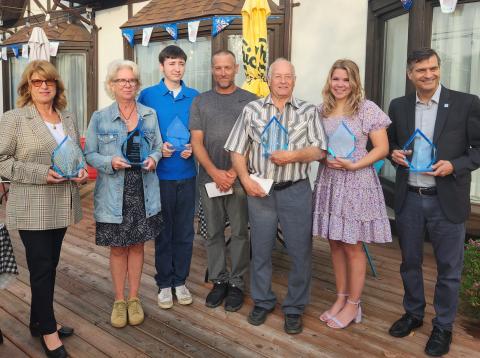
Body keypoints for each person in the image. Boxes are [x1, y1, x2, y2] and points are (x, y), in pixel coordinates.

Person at [387, 48, 480, 357]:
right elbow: (393, 144)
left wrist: (455, 165)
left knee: (449, 269)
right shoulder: (398, 106)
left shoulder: (466, 103)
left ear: (439, 68)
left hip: (446, 200)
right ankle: (413, 313)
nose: (428, 75)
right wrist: (394, 153)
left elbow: (477, 150)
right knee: (409, 263)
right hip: (410, 199)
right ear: (409, 74)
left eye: (433, 68)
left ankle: (443, 326)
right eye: (421, 70)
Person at [225, 58, 327, 334]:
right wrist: (245, 180)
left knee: (300, 251)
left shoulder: (308, 111)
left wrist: (293, 155)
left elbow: (319, 150)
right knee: (260, 249)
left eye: (288, 76)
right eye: (278, 76)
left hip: (296, 190)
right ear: (269, 80)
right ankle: (263, 300)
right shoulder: (252, 110)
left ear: (295, 80)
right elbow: (236, 149)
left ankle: (294, 307)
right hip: (260, 190)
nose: (283, 81)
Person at [0, 60, 88, 358]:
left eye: (48, 81)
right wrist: (40, 172)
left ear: (56, 86)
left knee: (49, 265)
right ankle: (48, 332)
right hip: (32, 206)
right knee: (40, 268)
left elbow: (75, 155)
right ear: (27, 87)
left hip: (62, 204)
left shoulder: (67, 117)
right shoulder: (14, 119)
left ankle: (38, 321)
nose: (44, 86)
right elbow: (1, 161)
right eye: (36, 82)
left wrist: (81, 171)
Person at [312, 59, 392, 329]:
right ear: (329, 81)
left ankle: (354, 305)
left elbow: (382, 148)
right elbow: (317, 148)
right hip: (330, 182)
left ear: (355, 82)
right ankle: (341, 298)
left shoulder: (367, 109)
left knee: (352, 245)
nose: (340, 84)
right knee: (334, 242)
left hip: (357, 182)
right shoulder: (322, 110)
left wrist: (355, 164)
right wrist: (324, 160)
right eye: (336, 79)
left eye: (346, 79)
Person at [84, 60, 163, 329]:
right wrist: (110, 162)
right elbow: (90, 154)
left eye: (132, 81)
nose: (128, 85)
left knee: (138, 246)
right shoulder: (100, 117)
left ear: (137, 85)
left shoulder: (149, 114)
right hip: (113, 192)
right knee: (118, 248)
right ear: (112, 85)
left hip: (143, 189)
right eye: (122, 81)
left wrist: (153, 158)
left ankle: (134, 298)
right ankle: (119, 300)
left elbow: (159, 148)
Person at [190, 50, 257, 311]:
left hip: (240, 179)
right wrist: (216, 173)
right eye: (218, 68)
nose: (223, 72)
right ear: (212, 70)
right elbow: (197, 141)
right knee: (214, 232)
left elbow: (254, 141)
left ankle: (237, 282)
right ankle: (219, 280)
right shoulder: (200, 101)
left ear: (236, 68)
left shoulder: (251, 101)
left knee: (240, 232)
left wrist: (232, 172)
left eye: (227, 67)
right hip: (209, 178)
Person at [138, 45, 199, 309]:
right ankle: (164, 282)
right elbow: (138, 133)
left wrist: (194, 147)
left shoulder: (194, 96)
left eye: (181, 63)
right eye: (172, 63)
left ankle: (180, 281)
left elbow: (200, 133)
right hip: (159, 176)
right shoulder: (148, 96)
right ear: (161, 66)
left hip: (187, 174)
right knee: (163, 231)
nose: (177, 68)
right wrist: (156, 149)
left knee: (185, 231)